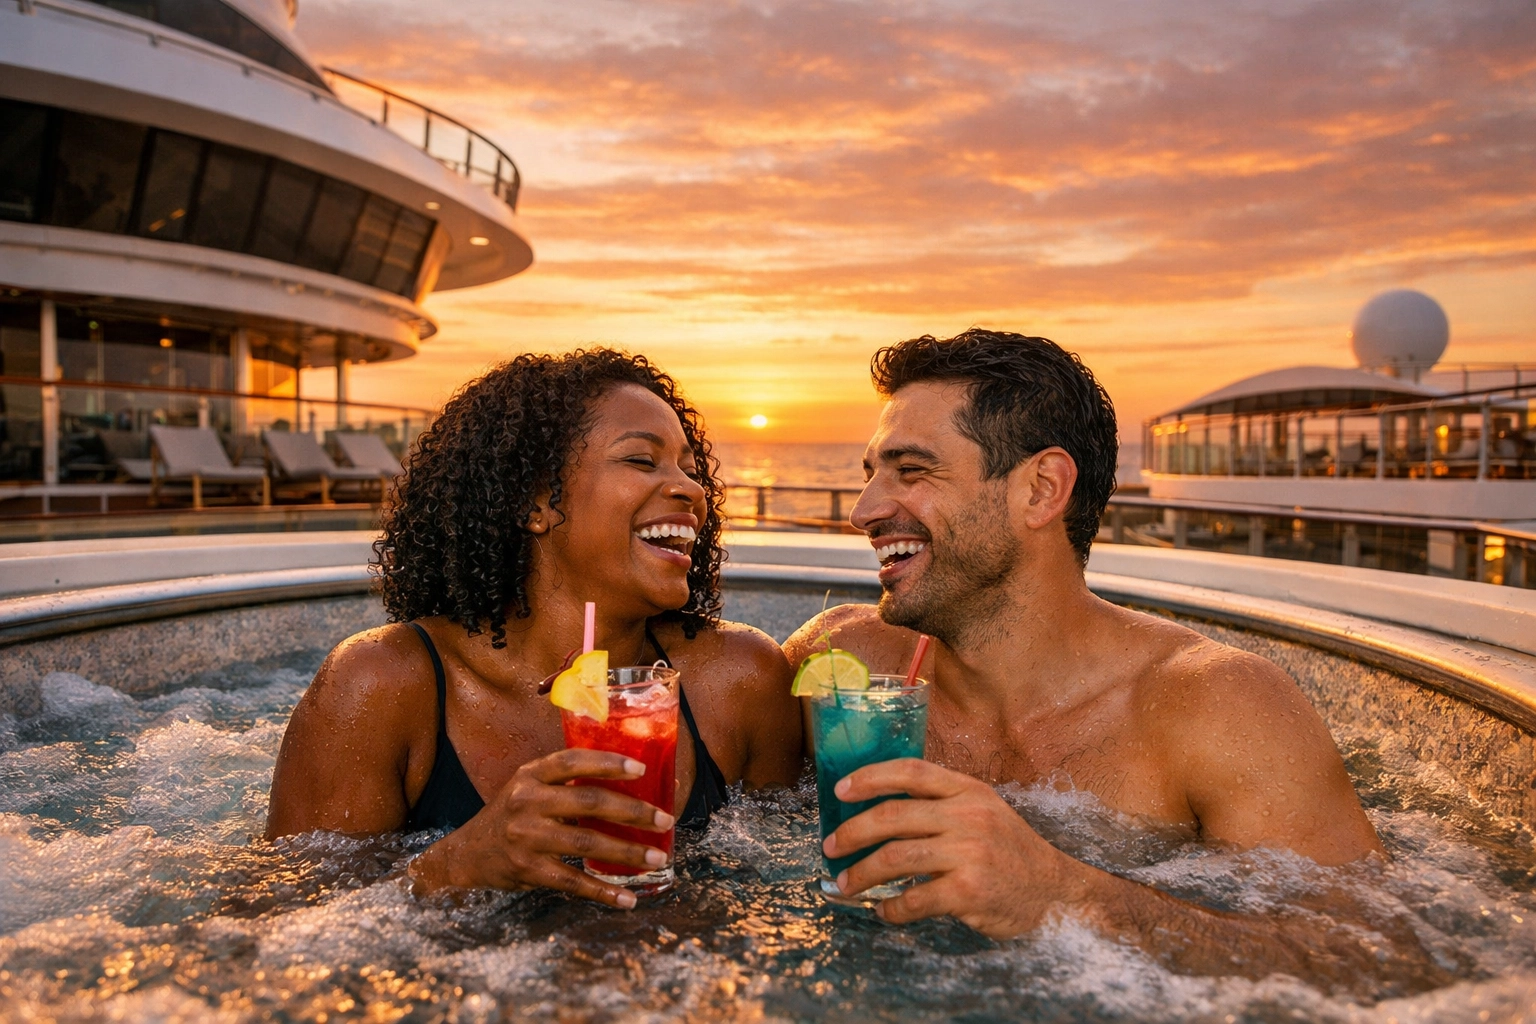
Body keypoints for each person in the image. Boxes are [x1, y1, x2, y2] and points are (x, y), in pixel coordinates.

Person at [784, 330, 1428, 986]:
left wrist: (1063, 896)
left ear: (1041, 489)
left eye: (911, 470)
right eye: (870, 474)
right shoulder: (840, 661)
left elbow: (1382, 965)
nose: (864, 511)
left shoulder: (1216, 707)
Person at [267, 349, 802, 908]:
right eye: (643, 461)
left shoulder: (740, 680)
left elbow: (786, 887)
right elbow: (271, 926)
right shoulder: (381, 685)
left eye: (691, 472)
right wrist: (452, 867)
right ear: (536, 500)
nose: (692, 491)